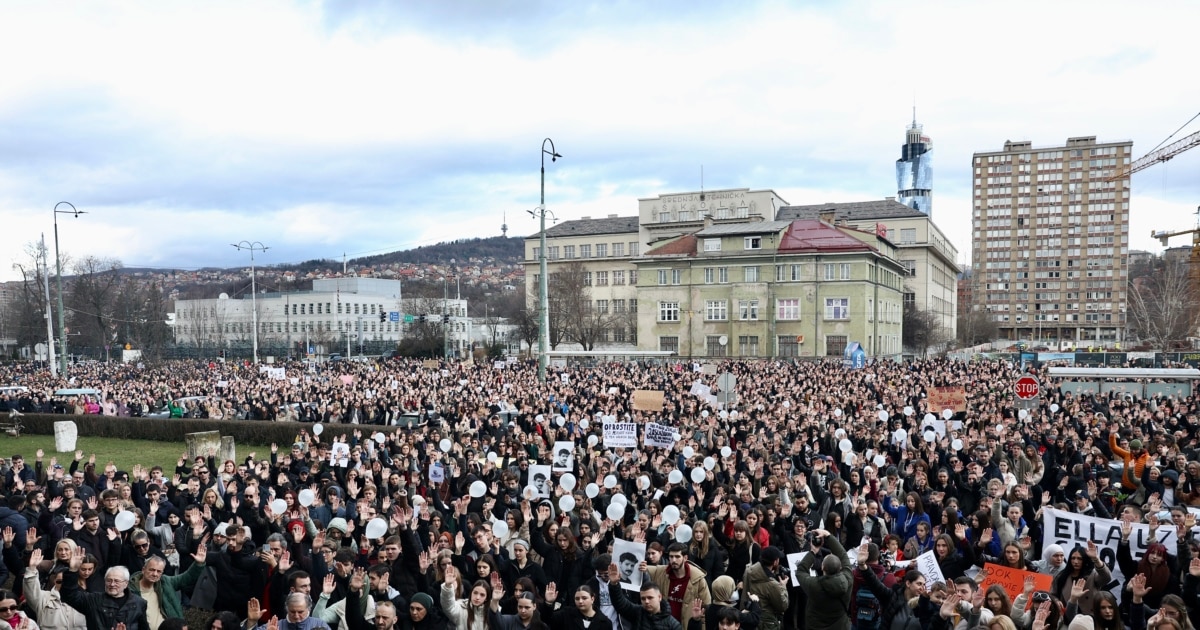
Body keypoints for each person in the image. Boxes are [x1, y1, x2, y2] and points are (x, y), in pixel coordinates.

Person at [59, 546, 150, 630]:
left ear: (126, 583)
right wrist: (73, 570)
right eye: (109, 580)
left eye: (116, 581)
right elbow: (69, 596)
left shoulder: (139, 603)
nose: (112, 584)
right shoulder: (93, 600)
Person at [129, 544, 209, 629]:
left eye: (159, 571)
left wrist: (198, 564)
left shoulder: (165, 582)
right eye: (152, 570)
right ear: (143, 570)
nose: (155, 574)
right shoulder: (130, 590)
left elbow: (186, 578)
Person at [641, 544, 711, 630]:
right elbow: (642, 567)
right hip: (665, 626)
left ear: (685, 558)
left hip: (687, 626)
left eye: (677, 557)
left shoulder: (698, 579)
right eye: (671, 556)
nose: (673, 560)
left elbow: (706, 607)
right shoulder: (661, 572)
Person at [794, 531, 852, 630]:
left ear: (822, 567)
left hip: (816, 626)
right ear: (840, 567)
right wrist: (828, 535)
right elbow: (843, 555)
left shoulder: (814, 585)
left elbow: (800, 571)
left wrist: (813, 552)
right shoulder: (848, 580)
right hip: (841, 626)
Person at [605, 562, 681, 630]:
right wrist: (614, 584)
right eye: (643, 599)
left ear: (659, 597)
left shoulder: (673, 625)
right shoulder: (638, 612)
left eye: (650, 598)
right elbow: (620, 604)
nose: (646, 601)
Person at [743, 546, 788, 630]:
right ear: (775, 562)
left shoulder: (749, 572)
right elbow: (783, 606)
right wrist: (783, 587)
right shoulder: (772, 585)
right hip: (768, 623)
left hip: (751, 618)